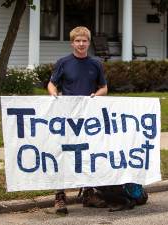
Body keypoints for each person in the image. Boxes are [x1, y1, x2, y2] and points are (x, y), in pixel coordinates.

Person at [47, 26, 108, 214]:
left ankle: (88, 194)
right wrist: (54, 96)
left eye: (84, 41)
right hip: (67, 117)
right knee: (64, 154)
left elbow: (104, 88)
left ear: (89, 42)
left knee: (87, 154)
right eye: (77, 41)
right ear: (72, 43)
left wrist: (95, 96)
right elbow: (51, 84)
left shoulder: (96, 64)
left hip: (88, 118)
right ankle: (60, 196)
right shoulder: (63, 63)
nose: (81, 44)